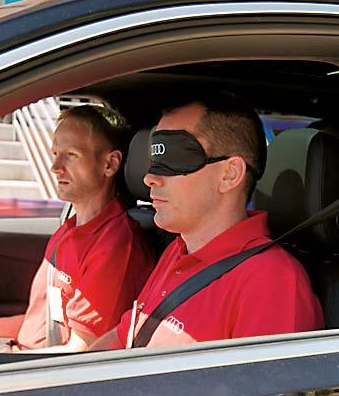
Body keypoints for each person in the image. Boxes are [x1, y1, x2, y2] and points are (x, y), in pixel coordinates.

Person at [92, 91, 324, 350]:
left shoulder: (271, 284)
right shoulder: (177, 251)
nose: (150, 178)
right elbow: (123, 337)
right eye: (155, 160)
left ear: (229, 174)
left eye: (174, 159)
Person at [0, 104, 154, 352]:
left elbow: (81, 352)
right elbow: (38, 326)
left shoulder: (114, 247)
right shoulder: (69, 229)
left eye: (71, 155)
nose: (55, 167)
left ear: (110, 164)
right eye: (55, 153)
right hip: (23, 352)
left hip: (39, 366)